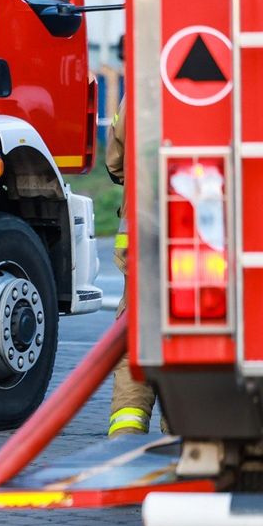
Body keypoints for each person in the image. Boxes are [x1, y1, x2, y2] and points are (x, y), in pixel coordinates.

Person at [105, 96, 158, 437]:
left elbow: (114, 161)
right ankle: (187, 436)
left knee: (138, 332)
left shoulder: (145, 83)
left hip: (143, 236)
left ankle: (126, 436)